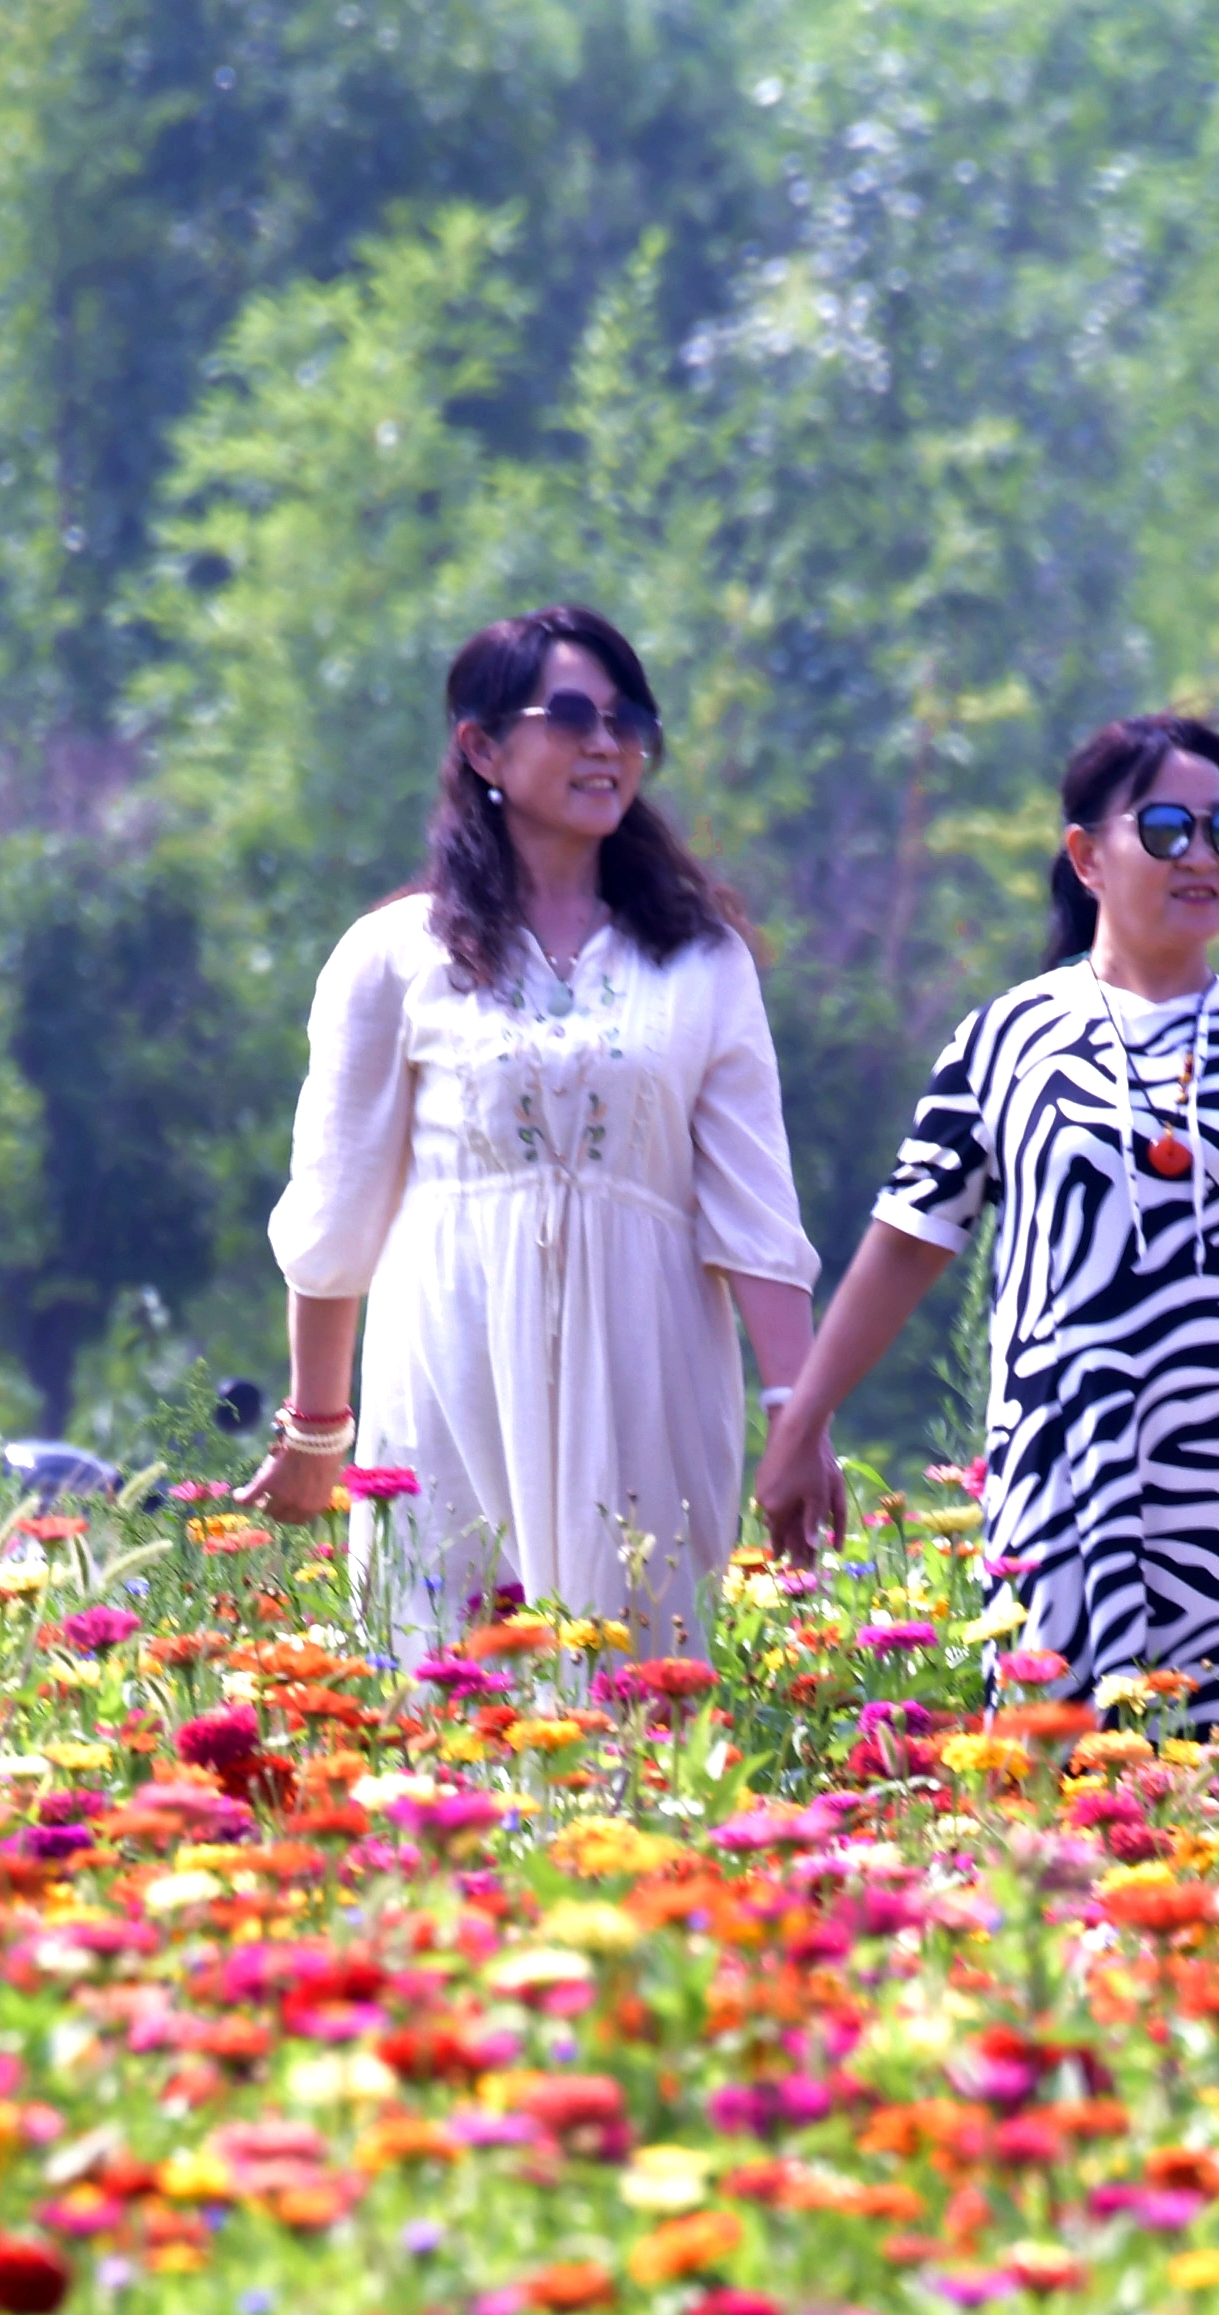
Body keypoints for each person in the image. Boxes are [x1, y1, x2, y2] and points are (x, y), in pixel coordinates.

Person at [749, 715, 1219, 1699]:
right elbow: (906, 1246)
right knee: (1059, 1792)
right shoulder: (1005, 1039)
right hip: (1063, 1483)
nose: (1203, 855)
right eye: (1168, 830)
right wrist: (802, 1423)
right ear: (1086, 855)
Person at [257, 607, 817, 1657]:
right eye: (569, 715)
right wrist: (317, 1428)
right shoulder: (392, 957)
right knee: (449, 1691)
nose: (606, 743)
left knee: (637, 1703)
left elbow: (756, 1213)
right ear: (481, 747)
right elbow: (336, 1211)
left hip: (649, 1370)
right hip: (451, 1366)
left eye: (626, 719)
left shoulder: (701, 963)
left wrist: (798, 1408)